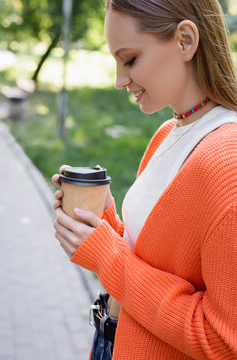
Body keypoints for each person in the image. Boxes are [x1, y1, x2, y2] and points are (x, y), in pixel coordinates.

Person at [52, 0, 237, 359]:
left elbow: (223, 339)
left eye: (131, 59)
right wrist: (101, 220)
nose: (120, 80)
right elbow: (149, 260)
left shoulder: (228, 163)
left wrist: (106, 257)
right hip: (111, 341)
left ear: (185, 40)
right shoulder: (170, 132)